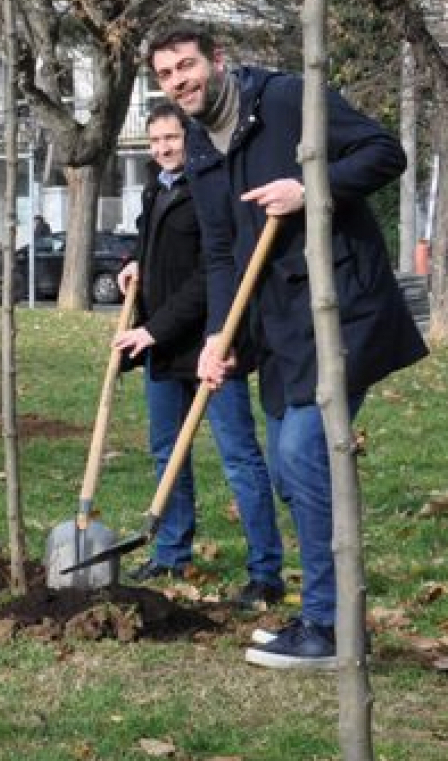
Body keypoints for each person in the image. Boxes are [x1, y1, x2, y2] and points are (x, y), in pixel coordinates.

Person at [147, 26, 427, 670]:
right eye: (166, 74)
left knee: (303, 453)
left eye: (187, 65)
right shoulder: (198, 143)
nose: (180, 81)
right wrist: (218, 334)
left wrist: (310, 188)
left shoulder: (283, 99)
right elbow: (222, 253)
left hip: (340, 308)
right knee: (286, 468)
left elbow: (385, 152)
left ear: (217, 61)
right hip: (278, 327)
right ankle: (326, 614)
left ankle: (330, 628)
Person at [111, 102, 284, 608]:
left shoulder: (210, 186)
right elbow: (152, 242)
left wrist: (153, 330)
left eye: (172, 138)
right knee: (168, 453)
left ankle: (265, 572)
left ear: (191, 139)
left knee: (238, 456)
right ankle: (171, 551)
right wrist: (133, 262)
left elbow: (211, 274)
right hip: (164, 348)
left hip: (213, 342)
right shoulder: (156, 187)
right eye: (155, 141)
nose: (164, 148)